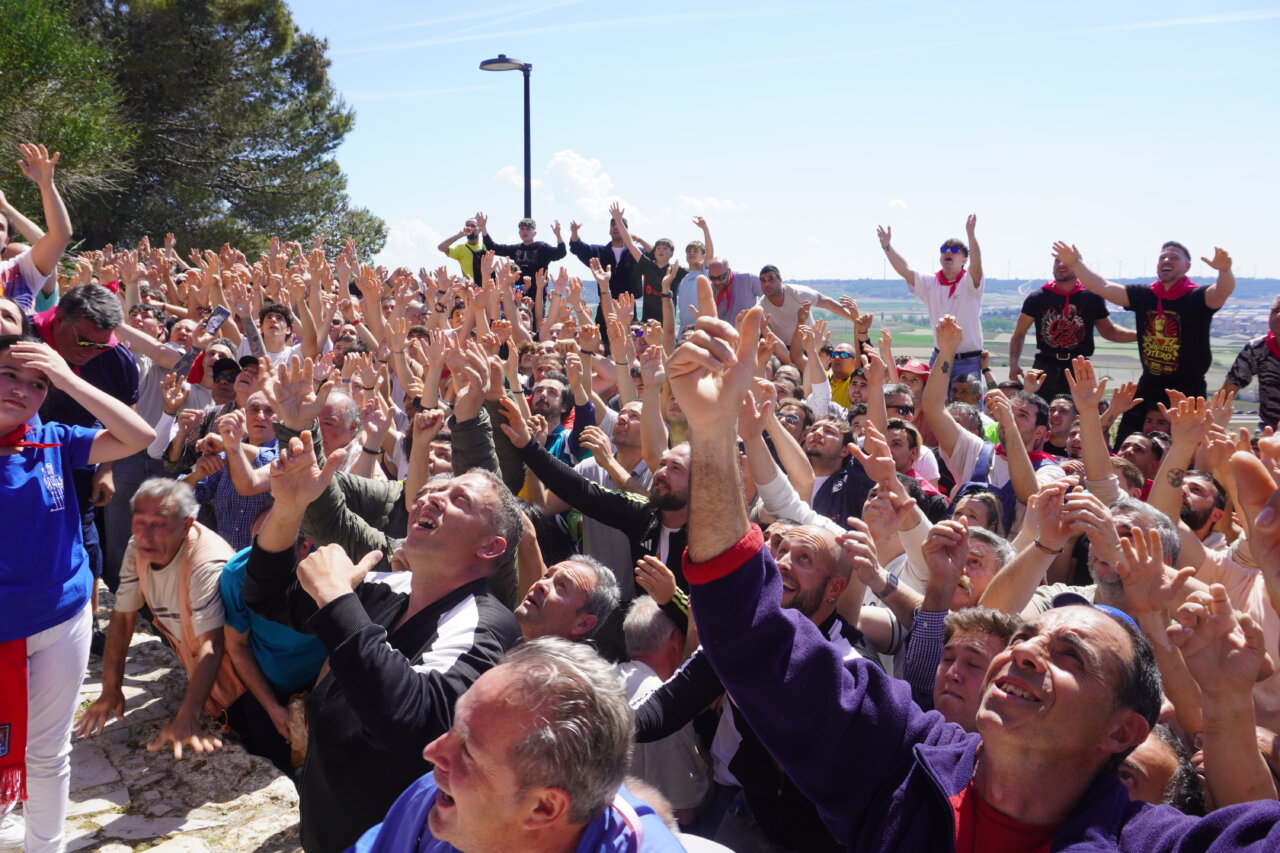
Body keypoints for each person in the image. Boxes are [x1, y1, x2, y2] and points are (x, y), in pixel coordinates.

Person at [666, 277, 1280, 850]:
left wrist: (1228, 706)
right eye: (1027, 638)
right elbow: (750, 633)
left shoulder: (1144, 840)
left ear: (1122, 733)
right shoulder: (903, 763)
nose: (1026, 653)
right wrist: (713, 433)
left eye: (1072, 656)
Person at [243, 430, 523, 853]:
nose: (432, 497)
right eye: (435, 490)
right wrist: (289, 506)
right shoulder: (390, 586)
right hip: (325, 828)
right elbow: (268, 597)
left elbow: (409, 721)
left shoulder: (487, 626)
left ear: (489, 547)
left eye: (459, 499)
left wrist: (336, 598)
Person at [0, 335, 154, 853]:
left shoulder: (55, 439)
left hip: (62, 620)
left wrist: (67, 379)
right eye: (8, 374)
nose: (21, 390)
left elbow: (137, 435)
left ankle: (46, 846)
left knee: (48, 753)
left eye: (36, 384)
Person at [346, 637, 684, 852]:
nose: (432, 752)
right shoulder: (437, 797)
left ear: (544, 808)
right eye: (455, 725)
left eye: (468, 750)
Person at [77, 479, 244, 758]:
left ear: (186, 525)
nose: (146, 534)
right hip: (205, 682)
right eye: (139, 522)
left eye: (159, 524)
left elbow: (212, 645)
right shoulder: (139, 546)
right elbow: (123, 616)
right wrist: (111, 687)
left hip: (238, 685)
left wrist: (187, 716)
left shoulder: (205, 563)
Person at [1052, 239, 1234, 443]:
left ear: (1187, 266)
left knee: (1184, 447)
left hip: (1187, 389)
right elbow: (1102, 286)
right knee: (1126, 442)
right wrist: (1076, 264)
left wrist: (1225, 270)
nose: (1166, 260)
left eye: (1174, 257)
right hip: (1149, 384)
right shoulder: (1145, 295)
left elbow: (1221, 292)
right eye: (1162, 257)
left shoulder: (1196, 297)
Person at [1008, 254, 1135, 401]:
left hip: (1079, 368)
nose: (1060, 264)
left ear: (1078, 266)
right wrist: (1013, 364)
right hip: (1044, 366)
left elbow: (1109, 331)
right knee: (1038, 412)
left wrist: (1142, 334)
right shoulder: (1037, 298)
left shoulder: (1091, 297)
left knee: (1080, 413)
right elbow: (1019, 333)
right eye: (1057, 261)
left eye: (1067, 261)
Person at [878, 215, 985, 379]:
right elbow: (905, 270)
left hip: (967, 360)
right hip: (939, 356)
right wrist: (887, 246)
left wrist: (971, 235)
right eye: (944, 250)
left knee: (967, 398)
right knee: (930, 396)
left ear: (964, 260)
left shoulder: (969, 281)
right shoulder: (931, 282)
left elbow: (977, 267)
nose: (948, 252)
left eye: (954, 250)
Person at [0, 144, 70, 313]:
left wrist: (46, 184)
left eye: (0, 227)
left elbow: (58, 238)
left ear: (7, 241)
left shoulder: (17, 273)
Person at [1220, 294, 1280, 430]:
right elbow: (1227, 392)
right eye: (1275, 311)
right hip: (1269, 430)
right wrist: (1213, 426)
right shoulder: (1257, 349)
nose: (1278, 316)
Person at [479, 211, 567, 279]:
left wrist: (558, 236)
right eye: (522, 229)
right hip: (519, 292)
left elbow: (561, 253)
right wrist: (483, 228)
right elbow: (493, 247)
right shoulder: (516, 248)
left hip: (538, 292)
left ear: (534, 233)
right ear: (519, 232)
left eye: (528, 229)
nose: (525, 231)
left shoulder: (542, 248)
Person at [436, 215, 486, 282]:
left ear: (479, 229)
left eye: (473, 226)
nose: (470, 228)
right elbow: (441, 247)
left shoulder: (486, 245)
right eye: (467, 226)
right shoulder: (460, 249)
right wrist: (459, 235)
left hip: (487, 285)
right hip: (469, 285)